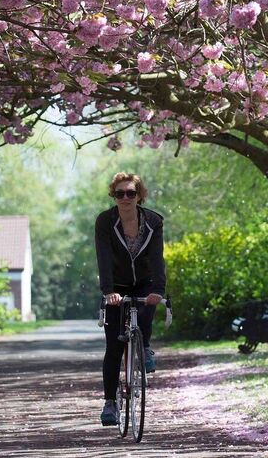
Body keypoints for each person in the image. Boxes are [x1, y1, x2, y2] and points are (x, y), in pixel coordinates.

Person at [94, 171, 166, 427]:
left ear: (139, 195)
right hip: (116, 285)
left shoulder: (154, 222)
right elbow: (103, 257)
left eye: (131, 193)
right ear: (113, 196)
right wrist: (108, 291)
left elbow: (157, 258)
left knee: (147, 305)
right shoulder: (105, 221)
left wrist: (159, 289)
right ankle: (110, 403)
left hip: (144, 282)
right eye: (119, 193)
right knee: (113, 347)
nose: (125, 198)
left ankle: (144, 346)